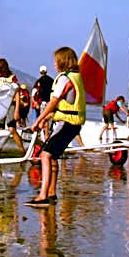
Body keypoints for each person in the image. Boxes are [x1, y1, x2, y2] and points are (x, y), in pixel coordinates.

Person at [26, 47, 87, 208]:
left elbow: (54, 102)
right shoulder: (76, 77)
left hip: (67, 123)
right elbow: (65, 105)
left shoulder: (64, 79)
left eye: (56, 60)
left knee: (45, 155)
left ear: (63, 61)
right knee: (52, 157)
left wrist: (37, 120)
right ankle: (52, 192)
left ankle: (43, 196)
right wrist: (46, 118)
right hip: (72, 123)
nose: (54, 64)